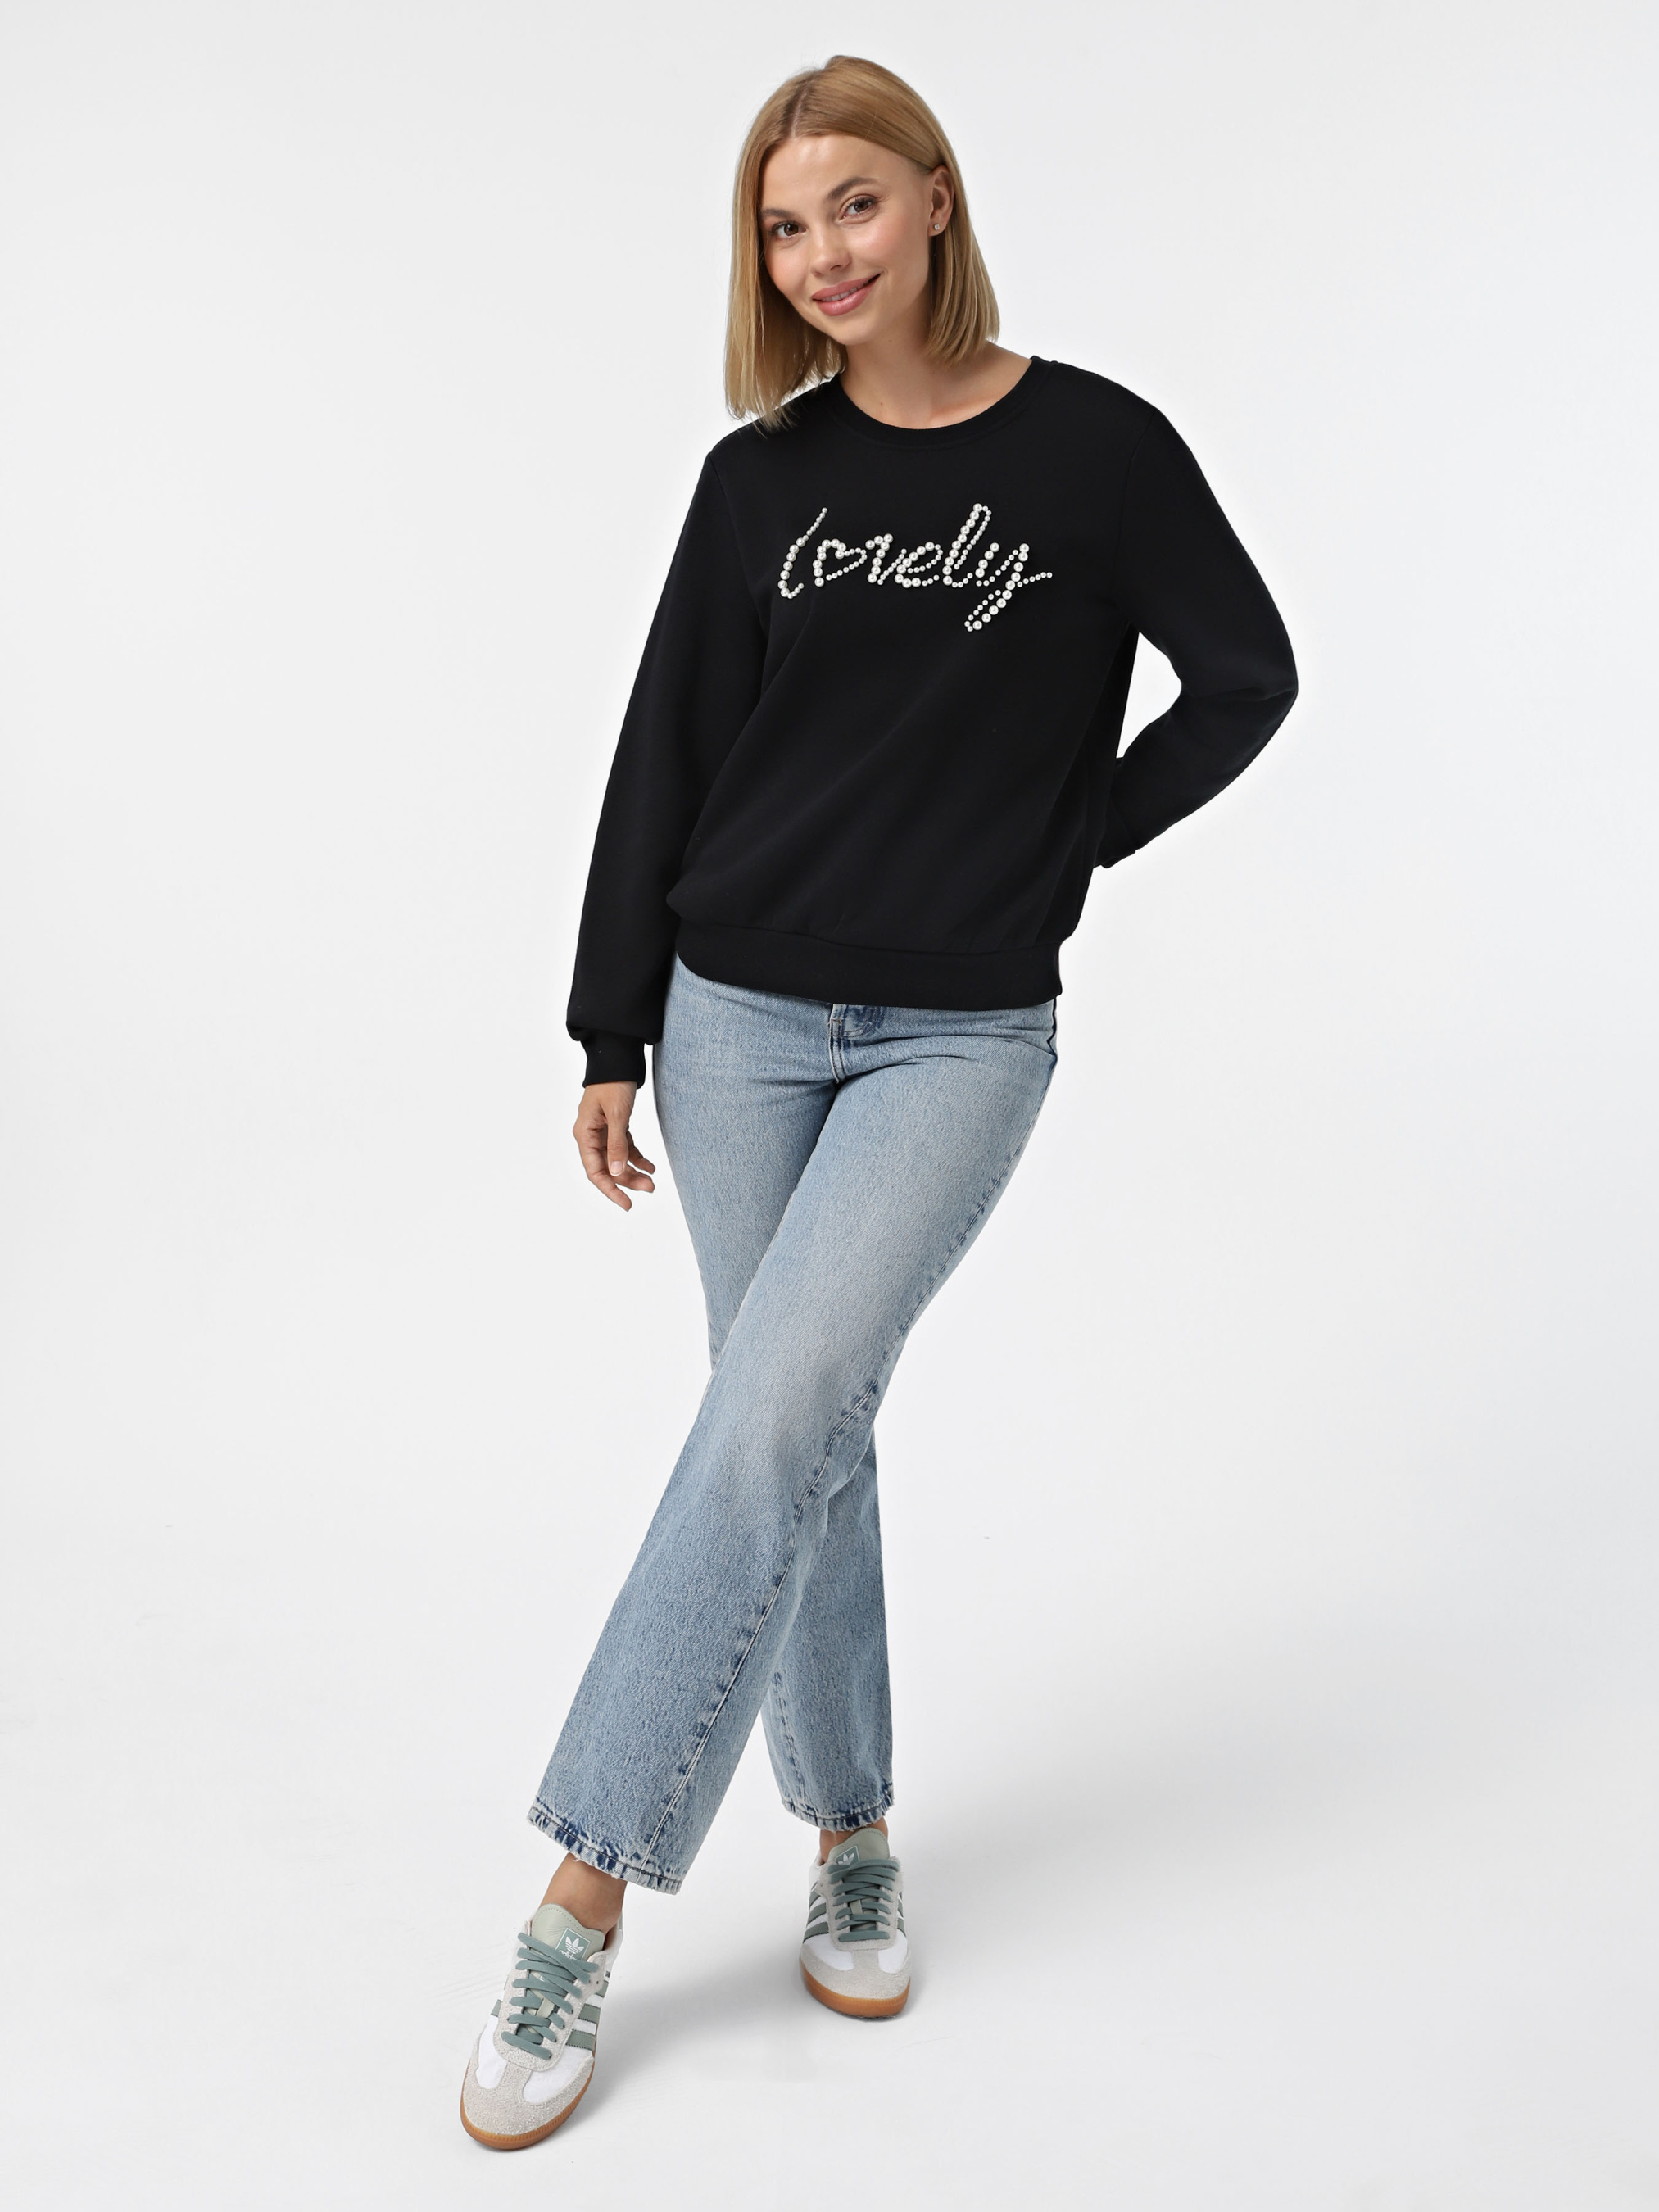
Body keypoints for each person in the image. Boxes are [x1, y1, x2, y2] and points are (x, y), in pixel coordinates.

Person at [460, 52, 1297, 2148]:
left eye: (850, 203)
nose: (818, 254)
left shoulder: (1096, 452)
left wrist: (1065, 841)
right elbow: (663, 753)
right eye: (779, 225)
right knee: (797, 1425)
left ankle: (577, 1896)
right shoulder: (759, 481)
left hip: (956, 1036)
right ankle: (849, 1830)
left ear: (932, 199)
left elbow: (1245, 677)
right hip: (732, 1017)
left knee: (772, 1412)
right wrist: (609, 1032)